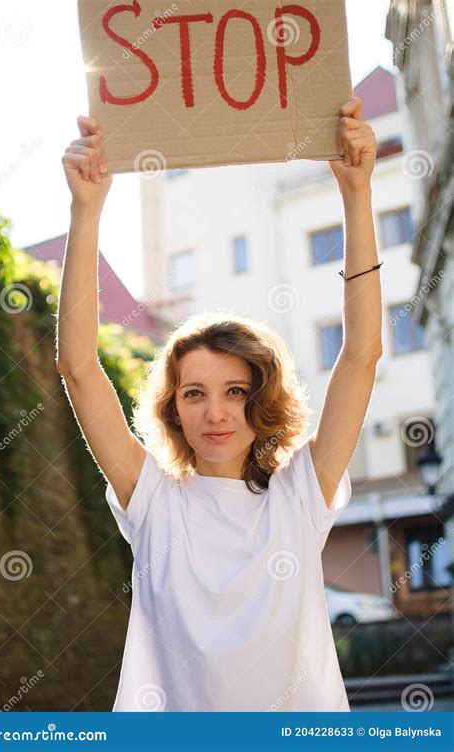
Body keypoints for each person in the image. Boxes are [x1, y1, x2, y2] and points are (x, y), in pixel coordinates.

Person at [58, 96, 382, 711]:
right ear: (173, 408)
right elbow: (77, 367)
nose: (216, 413)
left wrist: (357, 196)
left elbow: (361, 356)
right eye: (194, 393)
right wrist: (86, 209)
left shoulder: (299, 496)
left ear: (261, 401)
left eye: (236, 392)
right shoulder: (153, 500)